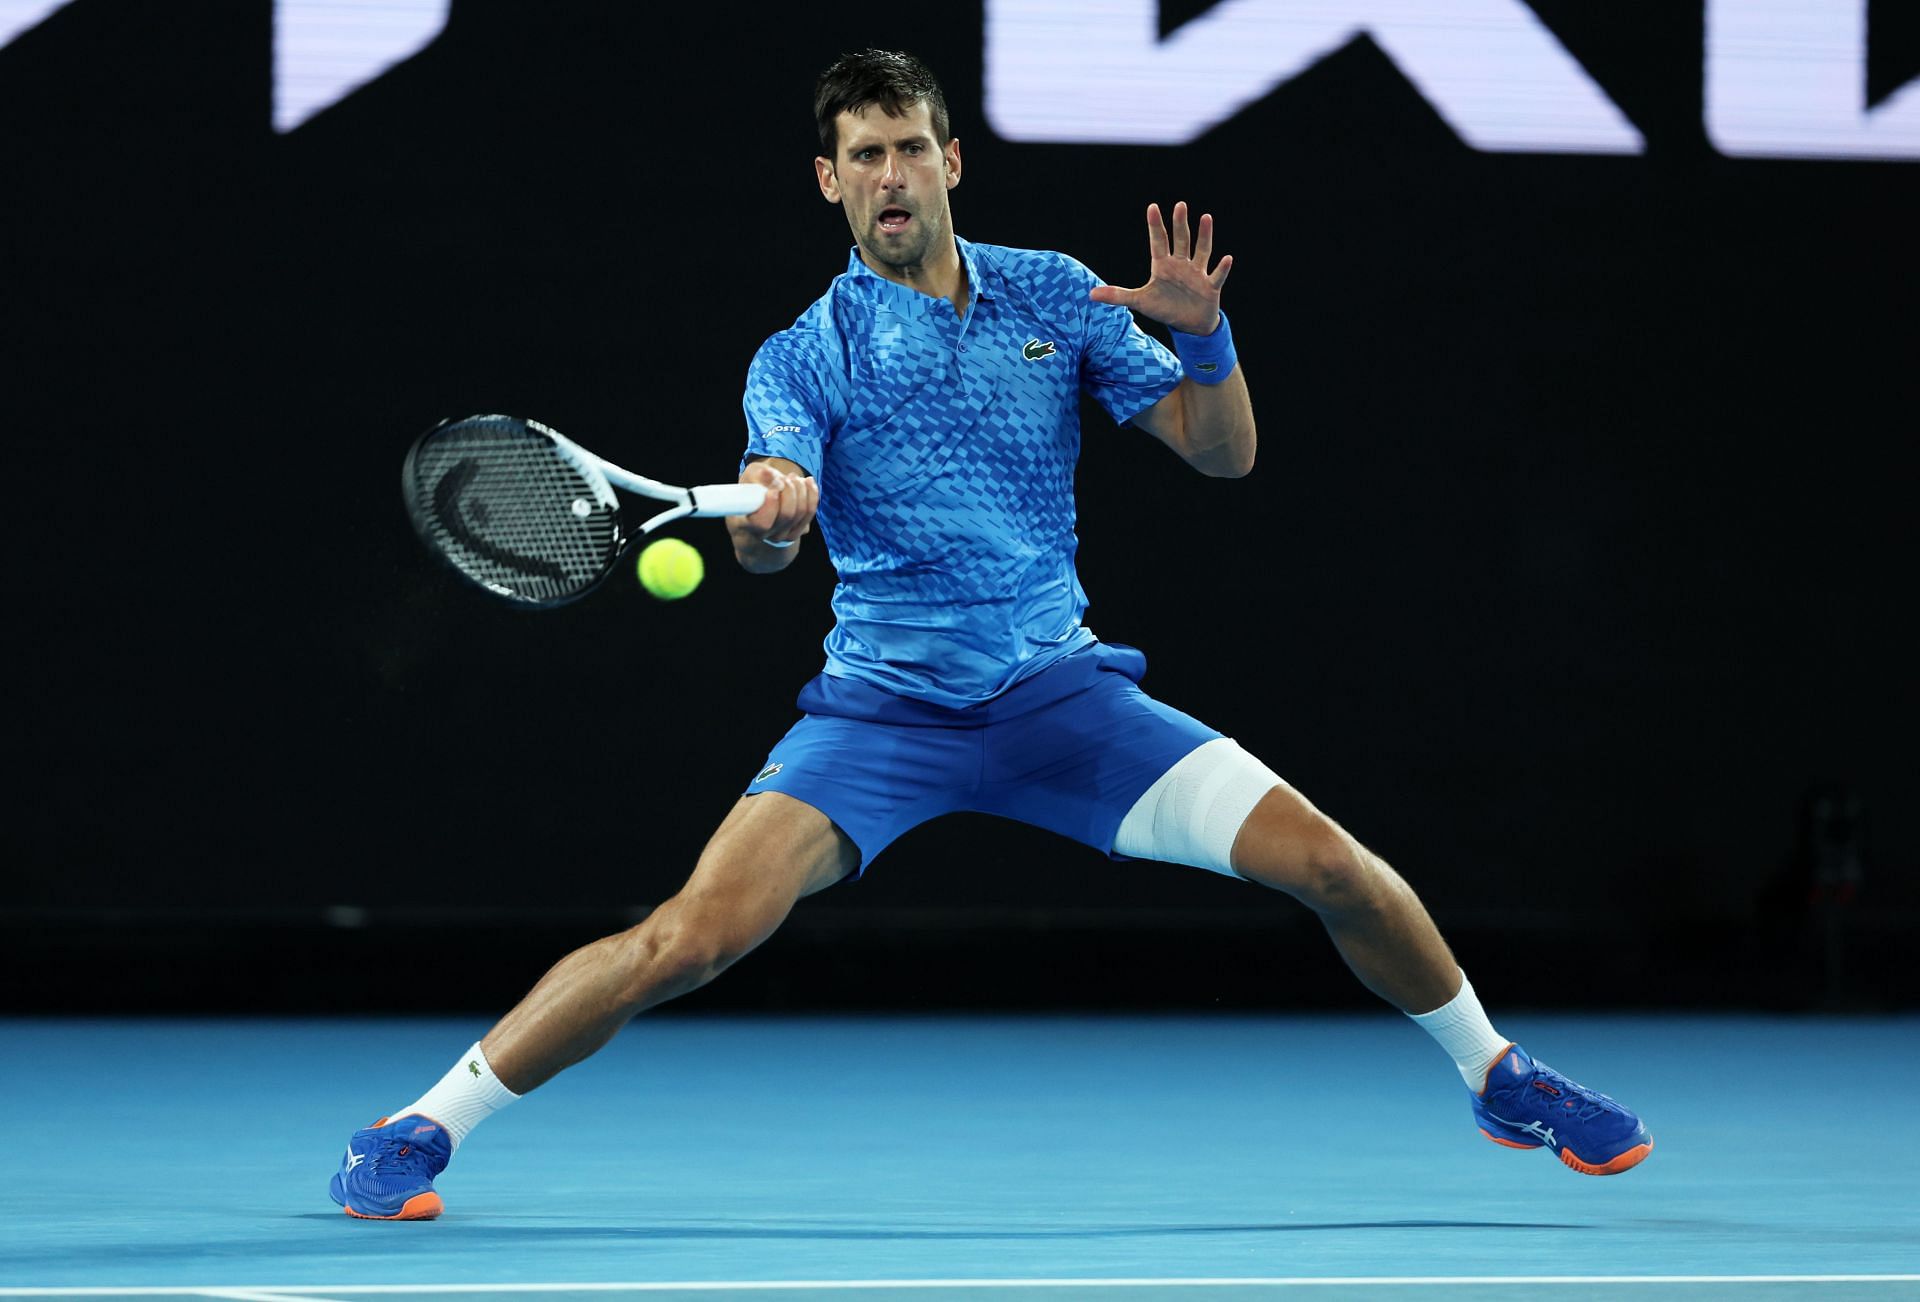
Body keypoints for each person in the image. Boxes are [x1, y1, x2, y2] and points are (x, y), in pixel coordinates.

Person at [330, 48, 1651, 1221]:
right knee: (689, 938)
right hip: (880, 720)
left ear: (952, 159)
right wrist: (773, 516)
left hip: (1062, 702)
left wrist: (1207, 343)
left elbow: (1223, 453)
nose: (891, 173)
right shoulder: (804, 353)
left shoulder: (1057, 295)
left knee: (1337, 866)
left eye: (910, 146)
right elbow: (766, 531)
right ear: (830, 182)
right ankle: (421, 1123)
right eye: (864, 157)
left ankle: (1499, 1075)